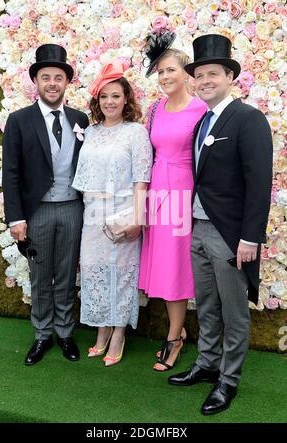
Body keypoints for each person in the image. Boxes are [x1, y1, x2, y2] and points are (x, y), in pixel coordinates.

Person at [168, 34, 273, 415]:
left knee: (233, 311)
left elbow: (260, 183)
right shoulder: (202, 123)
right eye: (200, 74)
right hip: (198, 228)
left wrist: (249, 238)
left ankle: (228, 381)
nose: (205, 80)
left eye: (214, 73)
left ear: (230, 77)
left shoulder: (248, 119)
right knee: (207, 305)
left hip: (230, 236)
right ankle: (207, 364)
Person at [2, 44, 89, 365]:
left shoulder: (80, 119)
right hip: (36, 212)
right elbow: (9, 173)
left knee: (66, 274)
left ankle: (65, 333)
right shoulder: (19, 120)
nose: (52, 83)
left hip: (72, 209)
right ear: (36, 82)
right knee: (40, 276)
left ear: (67, 83)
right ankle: (41, 335)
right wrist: (16, 219)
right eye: (45, 77)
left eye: (58, 77)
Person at [72, 60, 152, 367]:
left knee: (120, 275)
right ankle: (101, 330)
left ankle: (118, 333)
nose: (110, 102)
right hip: (93, 213)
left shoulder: (136, 133)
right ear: (97, 101)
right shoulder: (90, 133)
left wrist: (136, 218)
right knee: (94, 272)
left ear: (126, 99)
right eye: (104, 96)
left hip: (123, 211)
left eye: (115, 96)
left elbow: (141, 178)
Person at [139, 31, 207, 371]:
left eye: (171, 70)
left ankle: (175, 336)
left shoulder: (200, 110)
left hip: (184, 194)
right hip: (157, 194)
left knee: (176, 268)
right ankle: (176, 334)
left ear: (187, 74)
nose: (165, 77)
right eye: (160, 71)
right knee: (163, 267)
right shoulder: (154, 109)